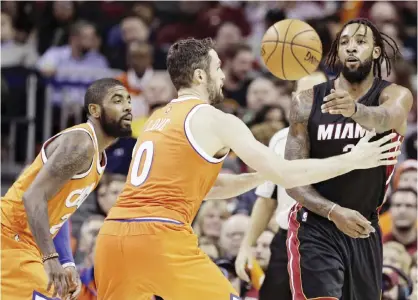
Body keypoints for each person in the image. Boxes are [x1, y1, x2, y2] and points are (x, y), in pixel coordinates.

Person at [94, 37, 400, 300]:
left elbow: (204, 188)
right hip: (159, 235)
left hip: (113, 236)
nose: (223, 76)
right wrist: (354, 160)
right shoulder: (215, 119)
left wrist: (258, 176)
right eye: (218, 69)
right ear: (201, 76)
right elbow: (285, 174)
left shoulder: (156, 120)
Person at [284, 18, 413, 300]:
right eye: (344, 42)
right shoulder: (306, 100)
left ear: (376, 51)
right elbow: (291, 178)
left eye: (360, 42)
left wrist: (354, 110)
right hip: (316, 225)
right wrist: (333, 212)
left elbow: (385, 120)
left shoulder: (394, 95)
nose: (351, 48)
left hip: (364, 228)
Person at [1, 78, 132, 300]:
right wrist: (51, 258)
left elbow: (60, 217)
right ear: (95, 109)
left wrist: (67, 261)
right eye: (117, 100)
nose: (127, 106)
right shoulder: (81, 144)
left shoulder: (98, 157)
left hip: (26, 244)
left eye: (129, 100)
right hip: (10, 237)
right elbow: (33, 198)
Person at [235, 71, 328, 300]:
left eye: (319, 93)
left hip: (328, 240)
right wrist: (246, 245)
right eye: (306, 94)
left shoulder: (345, 140)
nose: (312, 100)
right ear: (295, 97)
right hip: (286, 239)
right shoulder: (280, 139)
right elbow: (267, 200)